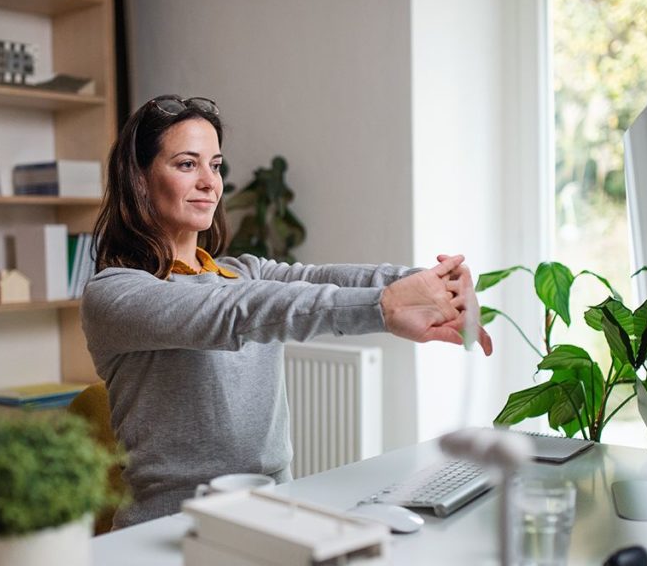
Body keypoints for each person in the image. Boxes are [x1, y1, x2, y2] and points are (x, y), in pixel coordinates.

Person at [81, 95, 493, 529]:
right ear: (140, 180)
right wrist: (385, 307)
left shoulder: (244, 271)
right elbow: (235, 312)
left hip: (275, 512)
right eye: (187, 164)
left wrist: (432, 280)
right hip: (171, 527)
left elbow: (321, 278)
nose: (209, 182)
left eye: (216, 165)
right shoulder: (115, 293)